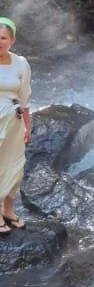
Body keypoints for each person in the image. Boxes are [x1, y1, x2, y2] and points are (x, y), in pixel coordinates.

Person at [0, 16, 31, 233]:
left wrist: (28, 125)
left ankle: (8, 210)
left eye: (3, 38)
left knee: (16, 166)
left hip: (15, 121)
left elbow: (24, 96)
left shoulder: (21, 63)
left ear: (12, 40)